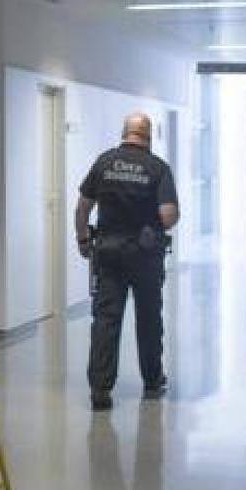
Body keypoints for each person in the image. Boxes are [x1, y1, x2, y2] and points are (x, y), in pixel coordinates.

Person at [75, 113, 179, 411]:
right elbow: (169, 215)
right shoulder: (158, 168)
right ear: (148, 136)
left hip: (108, 253)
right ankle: (152, 381)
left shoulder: (105, 162)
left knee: (106, 320)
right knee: (148, 318)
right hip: (146, 256)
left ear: (125, 132)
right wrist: (154, 221)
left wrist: (83, 240)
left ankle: (100, 390)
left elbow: (83, 207)